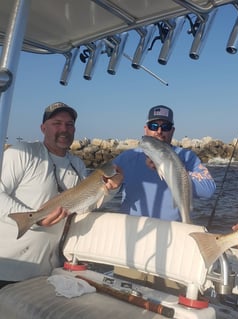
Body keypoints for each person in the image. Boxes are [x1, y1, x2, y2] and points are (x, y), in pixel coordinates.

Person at [0, 101, 122, 288]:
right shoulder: (22, 152)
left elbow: (85, 205)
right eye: (57, 123)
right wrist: (34, 219)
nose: (64, 129)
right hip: (9, 268)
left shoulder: (77, 164)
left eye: (69, 124)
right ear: (43, 128)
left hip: (47, 271)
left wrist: (111, 190)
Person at [113, 105, 216, 221]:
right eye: (154, 126)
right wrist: (111, 186)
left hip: (173, 230)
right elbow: (104, 184)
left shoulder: (187, 157)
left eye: (165, 127)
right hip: (134, 231)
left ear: (172, 131)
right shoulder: (127, 158)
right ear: (145, 129)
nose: (159, 131)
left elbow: (209, 190)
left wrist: (175, 170)